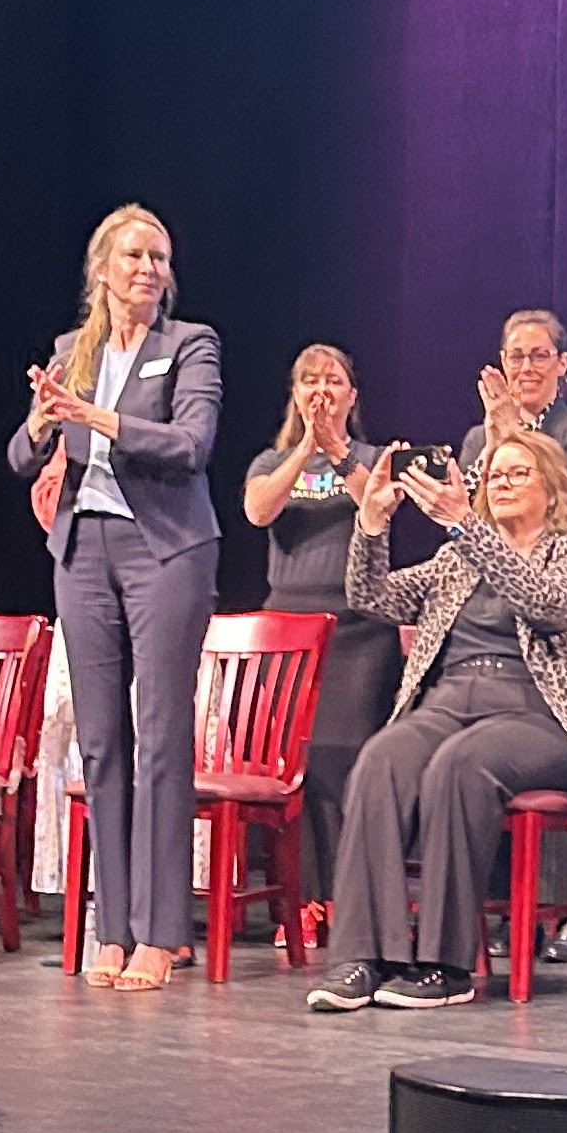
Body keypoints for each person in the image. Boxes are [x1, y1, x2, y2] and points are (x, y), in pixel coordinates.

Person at [308, 426, 567, 1011]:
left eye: (518, 473)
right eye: (494, 475)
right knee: (380, 760)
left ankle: (445, 965)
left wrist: (466, 524)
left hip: (541, 711)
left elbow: (546, 603)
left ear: (552, 488)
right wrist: (372, 523)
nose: (501, 484)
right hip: (450, 700)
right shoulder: (457, 558)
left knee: (461, 766)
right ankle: (363, 957)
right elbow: (372, 598)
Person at [13, 203, 221, 992]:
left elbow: (191, 444)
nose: (149, 269)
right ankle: (112, 929)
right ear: (102, 269)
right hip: (83, 549)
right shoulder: (72, 351)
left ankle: (160, 934)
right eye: (134, 256)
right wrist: (44, 421)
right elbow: (19, 454)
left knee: (160, 738)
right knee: (100, 742)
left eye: (159, 257)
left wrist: (95, 416)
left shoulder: (188, 345)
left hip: (165, 548)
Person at [242, 342, 395, 911]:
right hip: (288, 633)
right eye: (310, 380)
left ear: (352, 396)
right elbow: (259, 510)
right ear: (295, 394)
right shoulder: (270, 461)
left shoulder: (373, 458)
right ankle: (301, 901)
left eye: (333, 380)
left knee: (345, 760)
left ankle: (349, 900)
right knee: (295, 765)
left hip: (358, 630)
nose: (321, 390)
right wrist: (306, 447)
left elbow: (374, 505)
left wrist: (336, 450)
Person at [457, 307, 567, 533]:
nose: (526, 368)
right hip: (483, 551)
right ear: (503, 361)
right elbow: (459, 516)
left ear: (562, 363)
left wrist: (515, 436)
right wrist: (491, 448)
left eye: (539, 356)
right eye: (516, 357)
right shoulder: (478, 439)